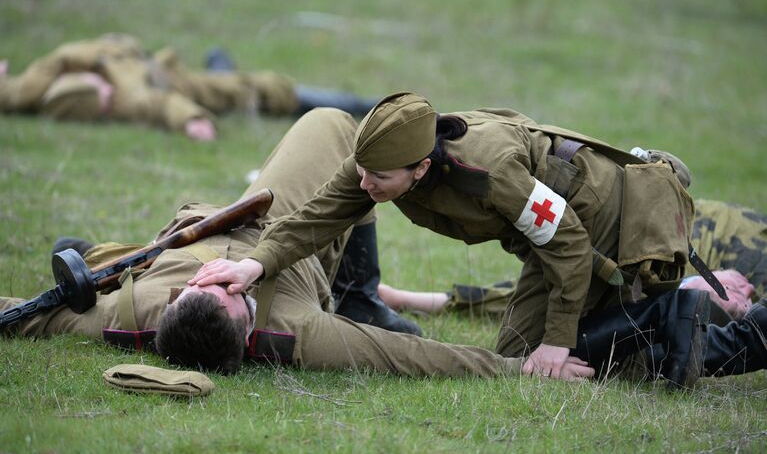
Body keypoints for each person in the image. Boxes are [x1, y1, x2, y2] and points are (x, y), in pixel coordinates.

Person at [0, 107, 594, 379]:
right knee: (338, 136)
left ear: (182, 295)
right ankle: (358, 293)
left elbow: (20, 318)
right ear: (251, 325)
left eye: (202, 286)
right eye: (240, 298)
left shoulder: (124, 311)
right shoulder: (296, 333)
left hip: (222, 218)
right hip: (292, 236)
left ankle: (367, 291)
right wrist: (521, 368)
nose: (217, 283)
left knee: (333, 124)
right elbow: (409, 357)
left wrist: (247, 263)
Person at [186, 91, 709, 384]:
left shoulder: (494, 172)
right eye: (362, 173)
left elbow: (567, 243)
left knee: (536, 357)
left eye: (378, 180)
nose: (365, 185)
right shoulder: (379, 158)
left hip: (598, 220)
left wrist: (557, 340)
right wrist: (255, 264)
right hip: (547, 236)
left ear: (419, 169)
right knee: (521, 355)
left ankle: (670, 318)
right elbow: (319, 214)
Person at [378, 198, 766, 323]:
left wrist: (690, 291)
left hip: (692, 246)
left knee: (582, 290)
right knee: (581, 280)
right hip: (688, 233)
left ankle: (418, 300)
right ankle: (417, 299)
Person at [0, 34, 379, 142]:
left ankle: (220, 64)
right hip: (188, 86)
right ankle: (369, 106)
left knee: (228, 78)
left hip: (177, 74)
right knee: (268, 90)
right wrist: (193, 120)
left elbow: (10, 94)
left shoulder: (41, 80)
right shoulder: (125, 96)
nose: (107, 100)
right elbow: (161, 103)